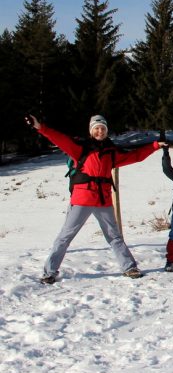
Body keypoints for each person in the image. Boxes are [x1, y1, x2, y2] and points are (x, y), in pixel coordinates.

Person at [27, 114, 163, 284]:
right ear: (91, 131)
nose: (100, 131)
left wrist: (154, 146)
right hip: (82, 199)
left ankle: (129, 267)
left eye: (103, 128)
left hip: (102, 201)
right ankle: (49, 272)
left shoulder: (111, 152)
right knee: (65, 237)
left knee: (114, 236)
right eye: (96, 128)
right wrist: (40, 127)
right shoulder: (80, 148)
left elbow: (135, 156)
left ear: (106, 131)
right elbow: (59, 139)